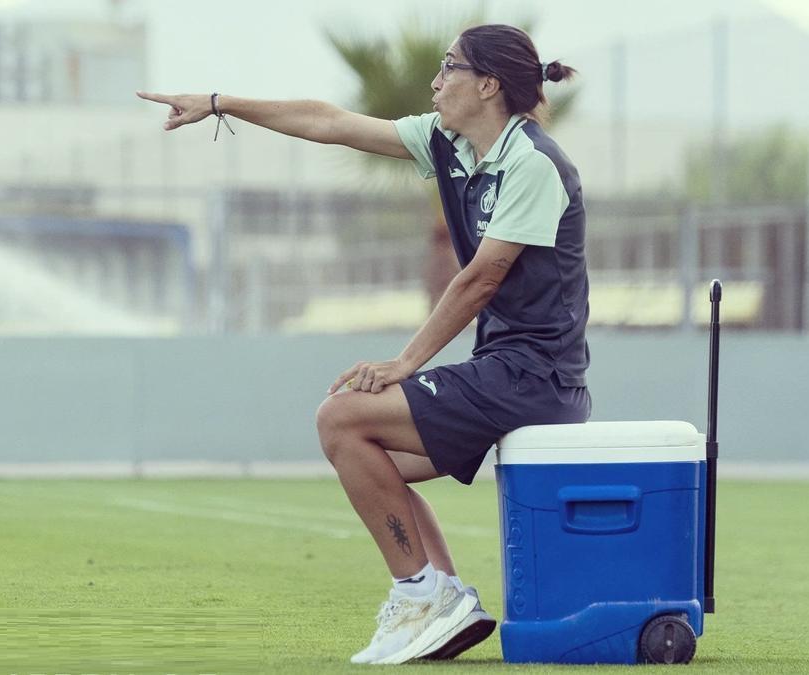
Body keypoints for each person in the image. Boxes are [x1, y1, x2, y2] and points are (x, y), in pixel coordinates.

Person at [139, 23, 590, 665]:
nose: (436, 81)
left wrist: (404, 363)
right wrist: (220, 104)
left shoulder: (534, 163)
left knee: (342, 418)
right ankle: (446, 600)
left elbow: (480, 279)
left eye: (450, 67)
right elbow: (329, 122)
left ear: (488, 84)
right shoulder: (449, 142)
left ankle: (419, 591)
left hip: (536, 381)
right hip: (505, 373)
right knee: (369, 460)